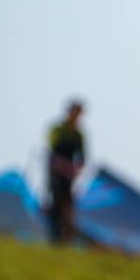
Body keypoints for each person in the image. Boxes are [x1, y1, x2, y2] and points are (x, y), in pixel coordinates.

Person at [46, 99, 87, 244]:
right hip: (55, 172)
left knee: (68, 208)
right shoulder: (57, 129)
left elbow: (82, 159)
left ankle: (66, 241)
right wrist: (63, 167)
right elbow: (51, 152)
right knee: (54, 204)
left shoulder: (79, 135)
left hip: (70, 176)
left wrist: (74, 170)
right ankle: (54, 238)